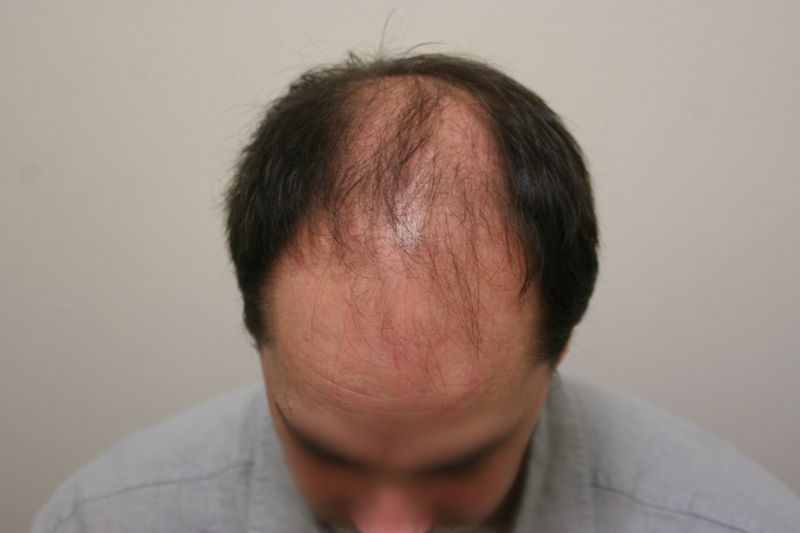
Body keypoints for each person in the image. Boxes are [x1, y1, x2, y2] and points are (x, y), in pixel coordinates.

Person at [32, 52, 800, 533]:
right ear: (259, 335)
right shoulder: (104, 516)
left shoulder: (735, 519)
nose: (389, 528)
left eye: (459, 462)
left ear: (559, 348)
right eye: (326, 452)